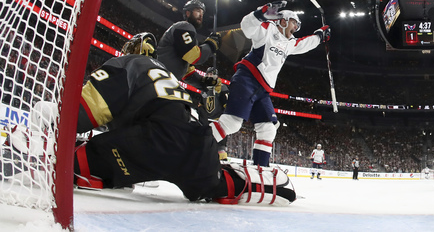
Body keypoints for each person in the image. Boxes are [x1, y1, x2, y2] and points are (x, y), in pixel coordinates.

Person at [73, 32, 296, 205]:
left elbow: (84, 112)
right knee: (216, 184)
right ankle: (264, 184)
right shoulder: (169, 75)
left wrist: (58, 123)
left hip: (154, 141)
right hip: (199, 141)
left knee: (77, 161)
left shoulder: (127, 63)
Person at [210, 1, 331, 167]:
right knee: (231, 123)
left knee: (268, 129)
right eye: (294, 22)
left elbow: (304, 44)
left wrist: (319, 36)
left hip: (262, 91)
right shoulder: (268, 29)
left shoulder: (290, 43)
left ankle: (261, 171)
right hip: (247, 80)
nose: (296, 27)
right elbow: (246, 27)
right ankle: (195, 146)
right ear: (283, 21)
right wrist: (260, 14)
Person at [157, 0, 221, 81]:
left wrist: (203, 82)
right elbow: (194, 56)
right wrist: (211, 44)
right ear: (188, 13)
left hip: (163, 77)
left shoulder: (185, 31)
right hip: (162, 78)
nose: (201, 15)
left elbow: (187, 73)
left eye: (202, 13)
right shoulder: (184, 26)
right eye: (198, 11)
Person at [187, 66, 230, 160]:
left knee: (219, 146)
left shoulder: (221, 87)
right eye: (208, 74)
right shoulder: (204, 87)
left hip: (218, 120)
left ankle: (220, 156)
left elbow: (226, 103)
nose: (209, 76)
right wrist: (200, 108)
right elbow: (203, 102)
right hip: (206, 119)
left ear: (216, 76)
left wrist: (226, 112)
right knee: (204, 139)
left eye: (212, 74)